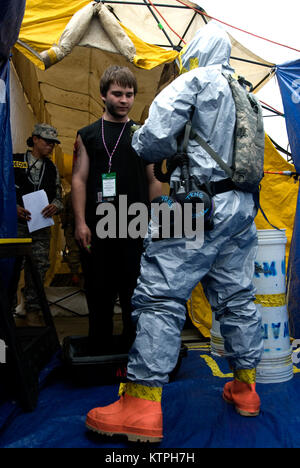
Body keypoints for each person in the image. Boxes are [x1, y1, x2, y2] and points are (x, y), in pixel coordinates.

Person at [85, 22, 264, 442]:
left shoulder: (195, 81)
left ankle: (142, 405)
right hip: (241, 210)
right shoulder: (248, 96)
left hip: (192, 207)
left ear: (195, 53)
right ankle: (246, 388)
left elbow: (148, 144)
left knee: (159, 295)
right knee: (238, 296)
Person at [71, 65, 162, 354]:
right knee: (99, 295)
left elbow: (154, 179)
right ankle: (99, 352)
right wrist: (80, 222)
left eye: (130, 94)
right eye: (118, 93)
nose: (124, 100)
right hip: (98, 229)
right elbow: (79, 179)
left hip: (135, 227)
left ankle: (133, 353)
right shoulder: (87, 135)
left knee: (134, 295)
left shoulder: (143, 134)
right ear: (103, 96)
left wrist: (156, 221)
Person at [13, 123, 63, 326]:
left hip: (40, 228)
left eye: (53, 143)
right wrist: (12, 207)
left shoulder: (52, 169)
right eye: (47, 141)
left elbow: (59, 197)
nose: (50, 146)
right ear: (35, 139)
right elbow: (3, 190)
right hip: (16, 226)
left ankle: (32, 308)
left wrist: (55, 206)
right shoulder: (15, 161)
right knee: (12, 267)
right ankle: (9, 307)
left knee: (39, 267)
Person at [60, 191, 81, 286]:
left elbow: (63, 212)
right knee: (79, 250)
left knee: (74, 251)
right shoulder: (69, 196)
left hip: (72, 229)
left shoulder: (68, 196)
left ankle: (75, 274)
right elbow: (63, 211)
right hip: (73, 229)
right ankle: (75, 274)